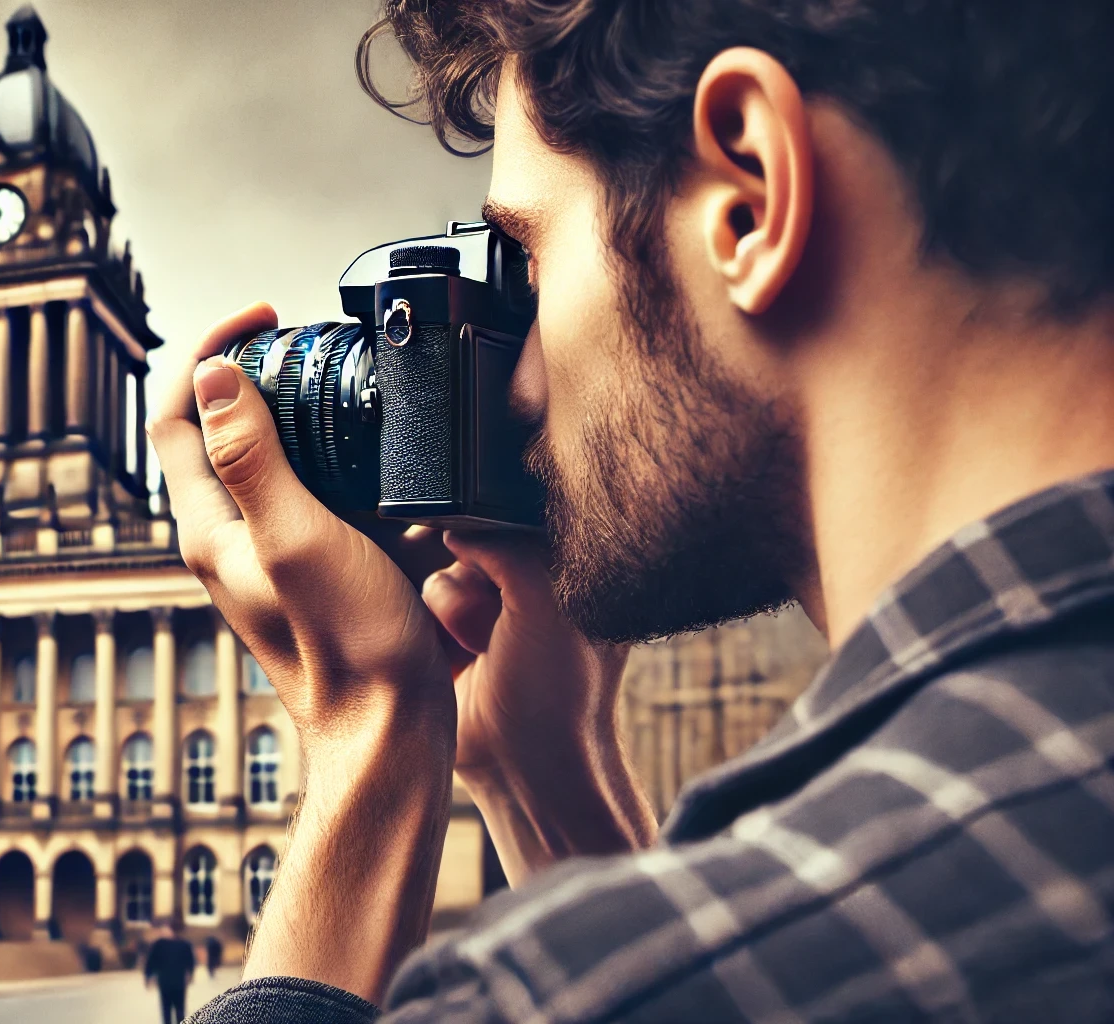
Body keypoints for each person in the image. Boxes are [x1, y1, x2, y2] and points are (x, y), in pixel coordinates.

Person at [152, 1, 1114, 1021]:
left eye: (527, 252)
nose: (515, 380)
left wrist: (371, 737)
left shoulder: (542, 996)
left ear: (748, 196)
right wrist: (546, 771)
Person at [145, 923, 200, 1024]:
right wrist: (148, 977)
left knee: (179, 1010)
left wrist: (191, 975)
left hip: (177, 982)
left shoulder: (183, 944)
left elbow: (190, 961)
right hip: (165, 983)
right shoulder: (159, 945)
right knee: (166, 1010)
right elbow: (151, 962)